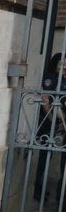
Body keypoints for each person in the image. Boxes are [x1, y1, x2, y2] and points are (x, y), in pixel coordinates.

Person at [34, 53, 66, 202]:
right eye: (61, 63)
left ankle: (42, 189)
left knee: (49, 156)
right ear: (55, 64)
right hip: (47, 123)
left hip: (60, 123)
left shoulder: (63, 79)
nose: (64, 66)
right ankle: (38, 190)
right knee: (44, 157)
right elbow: (45, 101)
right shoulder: (50, 78)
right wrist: (53, 120)